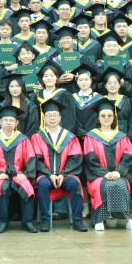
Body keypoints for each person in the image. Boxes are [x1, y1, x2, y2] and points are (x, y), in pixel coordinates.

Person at [28, 99, 87, 232]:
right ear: (44, 118)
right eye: (49, 115)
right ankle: (45, 221)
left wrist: (63, 174)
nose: (52, 118)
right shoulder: (37, 137)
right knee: (42, 184)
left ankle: (78, 221)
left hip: (66, 175)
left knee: (75, 183)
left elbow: (75, 159)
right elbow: (36, 160)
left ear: (60, 117)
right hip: (45, 175)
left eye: (55, 115)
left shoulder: (70, 137)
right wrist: (49, 174)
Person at [83, 98, 132, 232]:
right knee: (103, 184)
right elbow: (90, 159)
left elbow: (128, 157)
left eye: (109, 115)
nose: (106, 118)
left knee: (121, 183)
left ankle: (129, 220)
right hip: (98, 176)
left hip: (119, 174)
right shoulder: (91, 136)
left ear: (114, 117)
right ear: (98, 118)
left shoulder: (122, 136)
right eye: (103, 115)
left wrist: (118, 172)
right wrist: (105, 173)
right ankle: (99, 219)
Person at [0, 106, 37, 233]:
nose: (8, 122)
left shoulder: (23, 139)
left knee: (27, 186)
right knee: (2, 187)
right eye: (5, 120)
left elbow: (30, 158)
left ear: (16, 123)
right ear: (0, 122)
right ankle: (2, 222)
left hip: (18, 174)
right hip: (0, 174)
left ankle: (27, 222)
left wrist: (26, 174)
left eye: (11, 120)